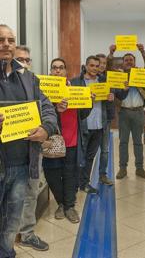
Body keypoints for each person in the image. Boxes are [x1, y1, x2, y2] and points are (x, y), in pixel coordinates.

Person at [0, 24, 57, 258]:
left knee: (13, 218)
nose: (6, 44)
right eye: (1, 39)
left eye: (11, 40)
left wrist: (46, 128)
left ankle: (6, 252)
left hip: (23, 164)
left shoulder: (29, 78)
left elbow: (47, 108)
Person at [42, 58, 90, 223]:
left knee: (70, 174)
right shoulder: (44, 91)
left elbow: (82, 115)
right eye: (54, 68)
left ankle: (69, 206)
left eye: (61, 68)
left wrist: (88, 102)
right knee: (52, 174)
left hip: (72, 141)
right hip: (52, 142)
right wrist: (56, 109)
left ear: (66, 72)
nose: (57, 71)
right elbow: (41, 114)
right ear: (50, 71)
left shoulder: (74, 89)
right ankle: (60, 203)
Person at [14, 46, 48, 251]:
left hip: (32, 149)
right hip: (7, 153)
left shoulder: (35, 82)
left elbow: (46, 108)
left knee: (31, 192)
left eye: (27, 60)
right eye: (20, 60)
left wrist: (46, 127)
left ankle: (26, 233)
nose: (24, 64)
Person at [108, 44, 145, 179]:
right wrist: (111, 53)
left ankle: (139, 168)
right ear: (123, 63)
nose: (129, 61)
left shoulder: (141, 74)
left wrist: (143, 52)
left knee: (138, 142)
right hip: (124, 112)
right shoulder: (118, 74)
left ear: (135, 62)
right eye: (126, 60)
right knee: (123, 142)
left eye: (131, 60)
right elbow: (107, 68)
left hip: (139, 112)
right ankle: (123, 168)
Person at [72, 55, 114, 194]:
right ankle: (75, 182)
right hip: (83, 125)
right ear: (86, 66)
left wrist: (110, 98)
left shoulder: (103, 81)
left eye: (97, 66)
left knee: (90, 157)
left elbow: (108, 101)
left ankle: (84, 183)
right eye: (92, 66)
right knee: (79, 156)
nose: (95, 68)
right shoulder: (76, 82)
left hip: (98, 125)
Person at [96, 53, 128, 185]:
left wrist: (125, 89)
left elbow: (120, 95)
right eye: (99, 63)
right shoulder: (85, 79)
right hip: (88, 119)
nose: (102, 66)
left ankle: (102, 175)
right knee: (87, 150)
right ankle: (83, 178)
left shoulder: (110, 78)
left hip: (106, 118)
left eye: (104, 63)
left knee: (104, 149)